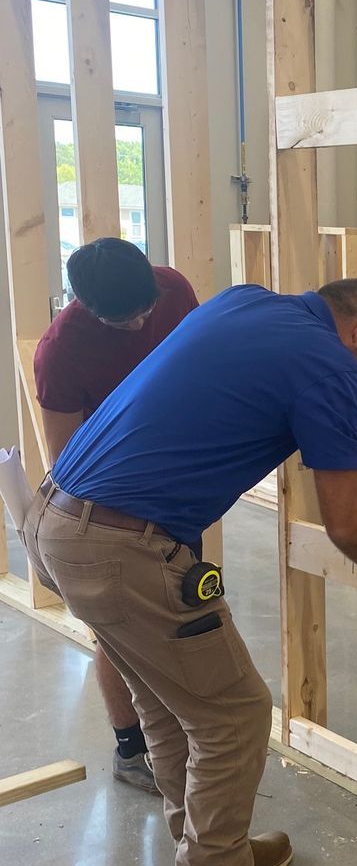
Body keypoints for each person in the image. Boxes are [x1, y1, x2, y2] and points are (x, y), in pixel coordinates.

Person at [23, 278, 357, 866]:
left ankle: (207, 849)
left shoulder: (246, 302)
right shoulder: (329, 362)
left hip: (55, 520)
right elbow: (349, 524)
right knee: (234, 714)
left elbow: (305, 354)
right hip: (125, 548)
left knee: (172, 702)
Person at [34, 238, 199, 794]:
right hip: (111, 502)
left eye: (144, 311)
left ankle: (175, 736)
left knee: (186, 609)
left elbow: (202, 360)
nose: (138, 325)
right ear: (83, 304)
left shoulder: (172, 289)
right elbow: (66, 458)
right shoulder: (61, 350)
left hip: (176, 486)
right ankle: (132, 750)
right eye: (120, 319)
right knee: (118, 631)